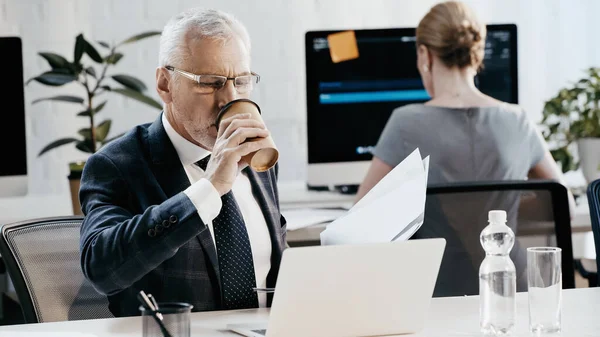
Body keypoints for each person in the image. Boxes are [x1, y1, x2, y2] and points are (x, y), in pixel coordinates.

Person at [354, 1, 575, 295]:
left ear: (424, 55)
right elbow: (563, 205)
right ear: (478, 51)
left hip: (437, 292)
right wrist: (497, 204)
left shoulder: (405, 123)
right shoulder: (518, 120)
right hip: (512, 290)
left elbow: (361, 217)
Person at [79, 8, 286, 317]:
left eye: (241, 82)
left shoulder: (257, 160)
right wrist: (210, 188)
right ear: (165, 84)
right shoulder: (117, 166)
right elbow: (101, 268)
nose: (229, 98)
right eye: (210, 82)